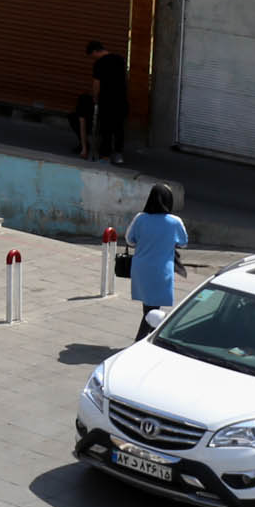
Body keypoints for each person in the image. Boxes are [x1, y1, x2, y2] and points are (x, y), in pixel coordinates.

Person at [127, 185, 189, 340]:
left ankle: (151, 339)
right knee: (152, 311)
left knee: (148, 308)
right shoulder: (175, 221)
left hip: (140, 269)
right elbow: (183, 243)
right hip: (161, 271)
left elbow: (129, 240)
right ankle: (141, 342)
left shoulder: (140, 218)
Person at [87, 40, 129, 165]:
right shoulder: (120, 59)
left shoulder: (99, 63)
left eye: (92, 55)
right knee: (119, 128)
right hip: (121, 99)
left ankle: (105, 156)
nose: (93, 58)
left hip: (107, 100)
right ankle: (118, 154)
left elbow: (96, 83)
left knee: (106, 129)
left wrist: (95, 98)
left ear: (95, 51)